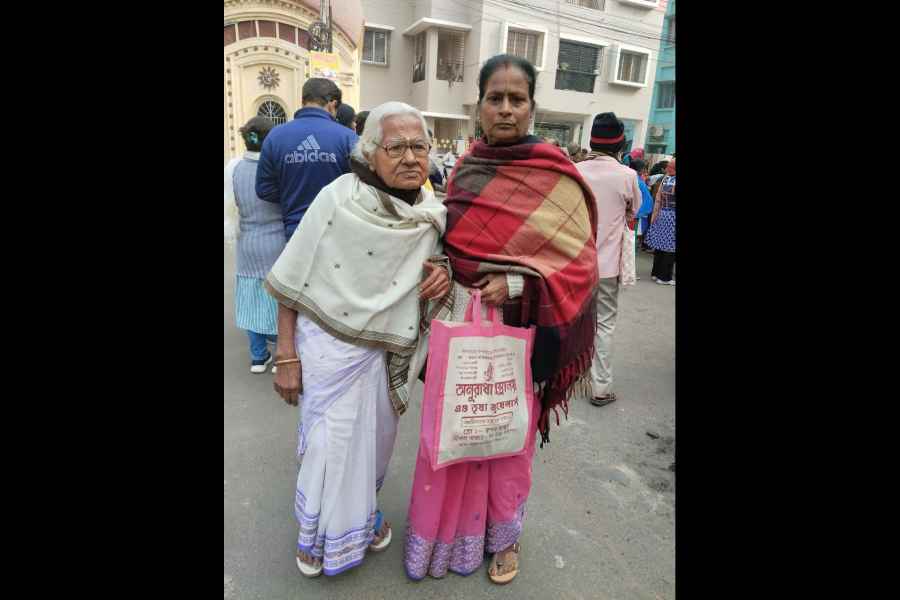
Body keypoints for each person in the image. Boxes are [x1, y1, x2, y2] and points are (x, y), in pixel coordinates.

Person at [404, 54, 599, 585]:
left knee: (505, 437)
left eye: (517, 99)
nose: (506, 109)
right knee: (448, 430)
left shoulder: (555, 170)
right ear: (480, 106)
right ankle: (441, 535)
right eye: (496, 98)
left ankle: (503, 538)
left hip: (520, 329)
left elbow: (580, 263)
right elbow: (447, 244)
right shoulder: (466, 171)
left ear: (533, 107)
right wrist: (443, 267)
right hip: (461, 321)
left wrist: (517, 282)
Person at [265, 101, 452, 578]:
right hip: (329, 346)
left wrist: (443, 276)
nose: (411, 158)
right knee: (333, 445)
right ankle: (317, 537)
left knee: (374, 445)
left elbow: (440, 271)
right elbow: (290, 278)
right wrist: (286, 355)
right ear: (371, 154)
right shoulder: (337, 199)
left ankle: (361, 518)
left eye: (420, 146)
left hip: (387, 353)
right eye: (397, 147)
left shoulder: (431, 213)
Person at [575, 113, 642, 408]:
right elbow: (634, 210)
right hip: (607, 267)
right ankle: (600, 388)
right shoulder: (627, 176)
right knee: (603, 324)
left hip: (574, 265)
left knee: (573, 321)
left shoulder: (574, 171)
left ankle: (566, 378)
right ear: (620, 145)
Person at [256, 78, 359, 239]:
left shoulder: (275, 136)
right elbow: (362, 188)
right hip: (338, 231)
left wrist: (292, 192)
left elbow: (264, 189)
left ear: (303, 100)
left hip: (296, 233)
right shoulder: (348, 138)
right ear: (332, 103)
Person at [226, 116, 286, 373]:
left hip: (247, 242)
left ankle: (258, 357)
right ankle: (280, 352)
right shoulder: (278, 168)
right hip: (278, 242)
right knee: (278, 297)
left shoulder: (234, 168)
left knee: (251, 297)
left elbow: (230, 209)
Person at [646, 158, 676, 285]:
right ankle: (664, 277)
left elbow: (658, 198)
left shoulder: (665, 179)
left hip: (662, 213)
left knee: (660, 245)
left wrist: (655, 216)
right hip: (673, 216)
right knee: (670, 247)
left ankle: (655, 273)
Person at [628, 158, 654, 256]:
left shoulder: (629, 178)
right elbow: (648, 201)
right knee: (630, 242)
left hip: (626, 215)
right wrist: (637, 214)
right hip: (634, 217)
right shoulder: (639, 182)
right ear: (641, 169)